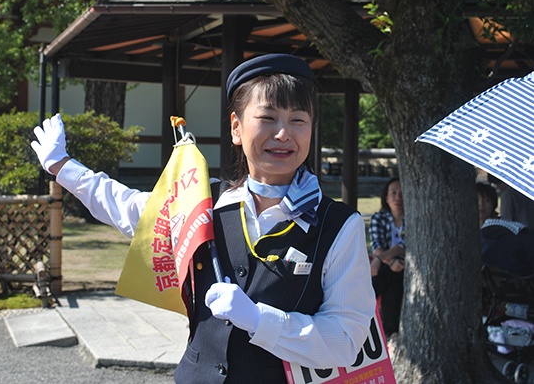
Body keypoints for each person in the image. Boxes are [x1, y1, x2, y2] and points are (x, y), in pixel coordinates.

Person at [31, 53, 375, 383]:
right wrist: (62, 166)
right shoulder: (205, 201)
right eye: (268, 118)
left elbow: (345, 341)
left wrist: (259, 320)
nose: (284, 133)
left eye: (298, 120)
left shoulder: (340, 225)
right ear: (237, 128)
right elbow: (128, 208)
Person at [368, 177, 404, 338]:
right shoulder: (379, 218)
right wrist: (390, 260)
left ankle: (362, 304)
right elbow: (377, 245)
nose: (398, 197)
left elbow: (406, 247)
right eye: (393, 193)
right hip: (390, 267)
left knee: (386, 276)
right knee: (392, 278)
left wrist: (379, 260)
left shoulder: (415, 218)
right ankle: (391, 331)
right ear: (386, 197)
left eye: (402, 193)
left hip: (408, 265)